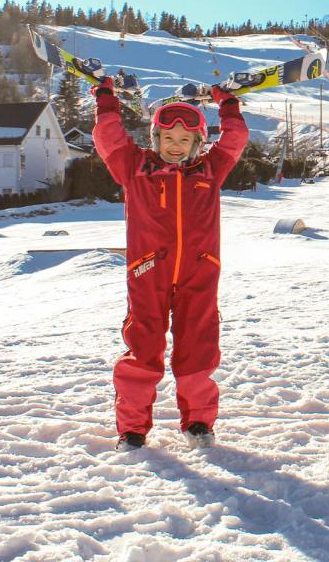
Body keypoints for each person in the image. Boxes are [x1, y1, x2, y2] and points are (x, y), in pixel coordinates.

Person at [92, 79, 249, 451]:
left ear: (197, 144)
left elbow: (234, 139)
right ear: (155, 139)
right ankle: (132, 428)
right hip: (148, 271)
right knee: (143, 347)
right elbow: (109, 136)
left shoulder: (210, 172)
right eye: (168, 139)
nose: (175, 147)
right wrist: (106, 102)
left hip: (200, 271)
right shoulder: (135, 169)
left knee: (198, 345)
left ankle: (197, 421)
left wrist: (227, 106)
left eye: (184, 140)